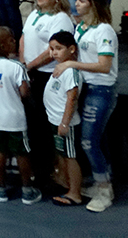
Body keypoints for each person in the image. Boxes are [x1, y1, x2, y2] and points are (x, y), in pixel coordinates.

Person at [52, 0, 117, 212]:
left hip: (101, 89)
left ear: (93, 4)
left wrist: (72, 63)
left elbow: (104, 65)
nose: (76, 4)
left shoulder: (104, 31)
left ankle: (105, 190)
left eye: (81, 1)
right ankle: (102, 182)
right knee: (95, 139)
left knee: (89, 141)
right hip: (85, 87)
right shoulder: (81, 27)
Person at [0, 27, 41, 205]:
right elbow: (24, 93)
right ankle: (27, 190)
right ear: (3, 46)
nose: (15, 41)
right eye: (11, 40)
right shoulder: (16, 66)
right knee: (22, 153)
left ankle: (1, 188)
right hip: (15, 120)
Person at [19, 0, 74, 180]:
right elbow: (23, 38)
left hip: (48, 73)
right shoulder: (34, 14)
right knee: (34, 122)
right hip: (31, 71)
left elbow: (54, 50)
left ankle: (54, 169)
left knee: (45, 123)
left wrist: (31, 65)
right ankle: (38, 166)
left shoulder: (61, 19)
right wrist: (22, 63)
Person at [44, 31, 83, 206]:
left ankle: (75, 193)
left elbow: (72, 98)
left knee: (70, 157)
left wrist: (65, 123)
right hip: (55, 120)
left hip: (65, 123)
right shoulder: (60, 68)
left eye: (58, 48)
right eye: (52, 49)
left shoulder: (71, 72)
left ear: (72, 49)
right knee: (61, 153)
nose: (54, 53)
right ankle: (63, 181)